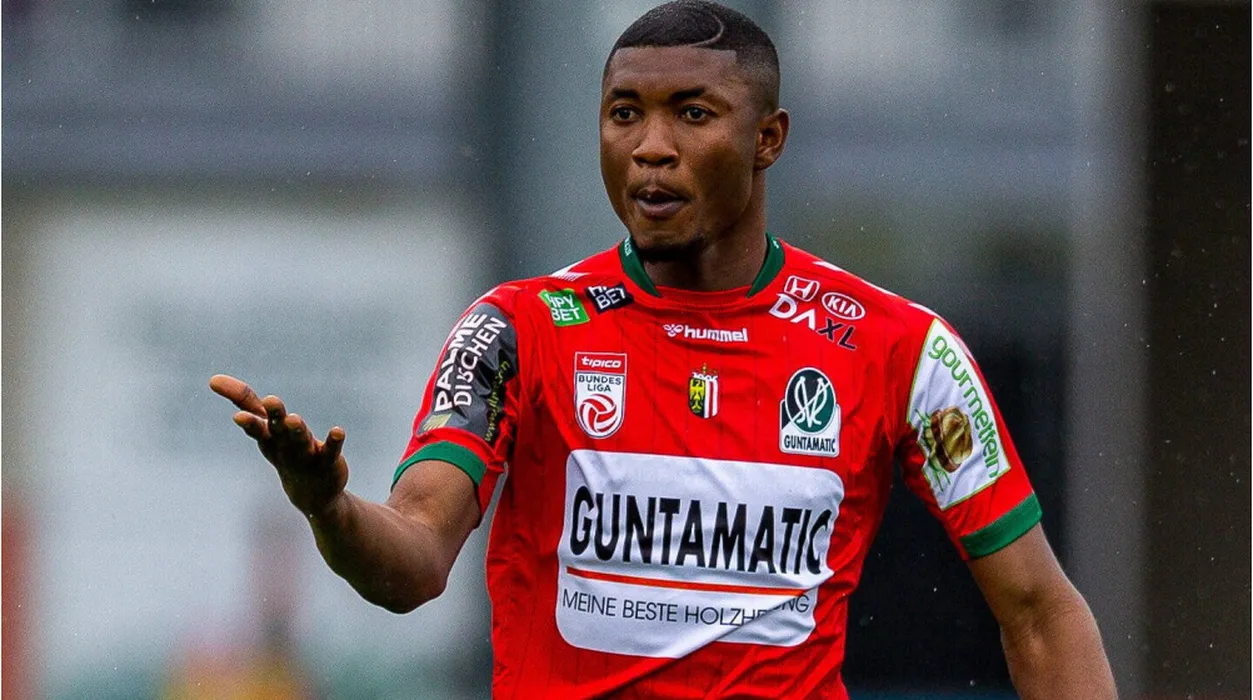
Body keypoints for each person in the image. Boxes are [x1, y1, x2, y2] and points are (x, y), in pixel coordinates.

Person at [211, 2, 1117, 697]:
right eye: (623, 114)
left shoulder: (899, 349)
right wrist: (330, 509)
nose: (650, 148)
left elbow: (1040, 612)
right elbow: (413, 559)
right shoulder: (517, 329)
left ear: (767, 139)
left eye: (691, 114)